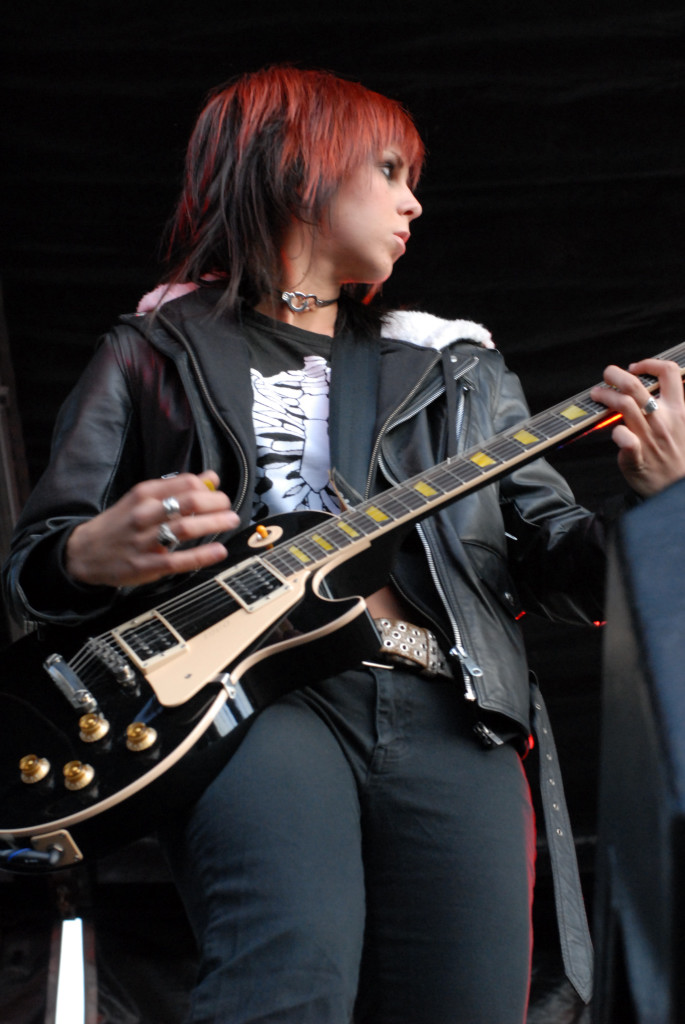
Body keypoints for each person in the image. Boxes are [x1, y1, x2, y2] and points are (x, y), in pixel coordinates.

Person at [3, 66, 685, 1024]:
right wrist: (87, 554)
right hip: (248, 702)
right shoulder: (155, 350)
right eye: (389, 169)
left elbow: (559, 566)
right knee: (286, 980)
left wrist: (659, 502)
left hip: (449, 706)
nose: (414, 202)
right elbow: (32, 566)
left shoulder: (455, 364)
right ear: (298, 168)